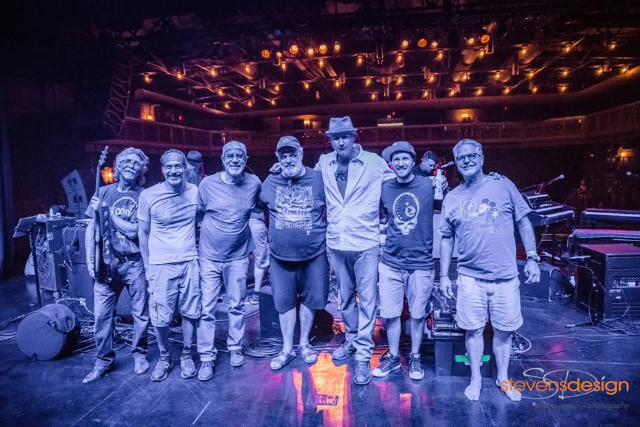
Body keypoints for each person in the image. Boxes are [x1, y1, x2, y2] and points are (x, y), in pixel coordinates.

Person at [438, 139, 541, 402]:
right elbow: (446, 238)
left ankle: (502, 378)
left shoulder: (503, 185)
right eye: (461, 158)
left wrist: (532, 257)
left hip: (505, 277)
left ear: (482, 158)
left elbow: (523, 222)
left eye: (472, 155)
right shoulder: (452, 197)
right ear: (456, 164)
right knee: (473, 331)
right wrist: (444, 275)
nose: (467, 160)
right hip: (470, 278)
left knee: (504, 331)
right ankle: (475, 378)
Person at [315, 116, 394, 385]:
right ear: (331, 140)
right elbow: (306, 179)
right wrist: (281, 169)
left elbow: (398, 181)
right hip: (336, 242)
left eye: (345, 137)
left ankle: (363, 354)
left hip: (365, 243)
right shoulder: (324, 162)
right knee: (345, 298)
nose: (340, 142)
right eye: (335, 138)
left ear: (353, 137)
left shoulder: (374, 162)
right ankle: (351, 339)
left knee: (368, 300)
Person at [258, 136, 328, 371]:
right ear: (277, 158)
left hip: (314, 254)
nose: (288, 160)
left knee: (310, 301)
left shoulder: (318, 179)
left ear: (301, 154)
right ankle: (287, 349)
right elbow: (258, 208)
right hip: (280, 257)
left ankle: (304, 344)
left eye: (292, 154)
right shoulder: (270, 181)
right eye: (283, 156)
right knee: (284, 304)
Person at [82, 147, 151, 384]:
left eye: (136, 163)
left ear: (142, 170)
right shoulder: (102, 191)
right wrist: (90, 259)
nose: (131, 165)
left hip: (134, 263)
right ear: (118, 166)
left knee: (140, 314)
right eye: (127, 161)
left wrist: (108, 213)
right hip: (106, 264)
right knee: (102, 316)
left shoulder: (144, 196)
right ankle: (103, 361)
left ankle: (140, 355)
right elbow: (91, 228)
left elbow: (135, 231)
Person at [196, 141, 261, 380]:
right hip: (209, 257)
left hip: (238, 257)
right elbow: (198, 213)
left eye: (239, 156)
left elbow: (264, 203)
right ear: (223, 160)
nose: (235, 160)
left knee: (237, 305)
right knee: (207, 308)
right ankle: (206, 357)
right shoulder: (207, 184)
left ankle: (235, 348)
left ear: (246, 159)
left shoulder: (254, 183)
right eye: (230, 156)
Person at [372, 141, 435, 381]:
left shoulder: (428, 184)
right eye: (396, 159)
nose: (400, 163)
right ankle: (393, 357)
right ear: (391, 164)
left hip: (420, 263)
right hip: (391, 261)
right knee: (391, 314)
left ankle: (415, 356)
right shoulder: (385, 188)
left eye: (404, 158)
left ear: (413, 160)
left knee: (417, 315)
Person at [138, 149, 201, 382]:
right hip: (160, 264)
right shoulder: (148, 195)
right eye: (169, 167)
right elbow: (142, 233)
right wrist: (147, 266)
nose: (174, 170)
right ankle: (164, 356)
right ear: (163, 169)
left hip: (189, 260)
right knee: (160, 316)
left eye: (178, 166)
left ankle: (186, 355)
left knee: (190, 312)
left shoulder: (195, 191)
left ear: (184, 168)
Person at [247, 210, 270, 304]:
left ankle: (240, 295)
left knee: (239, 259)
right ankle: (256, 295)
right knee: (260, 259)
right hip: (256, 220)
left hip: (238, 221)